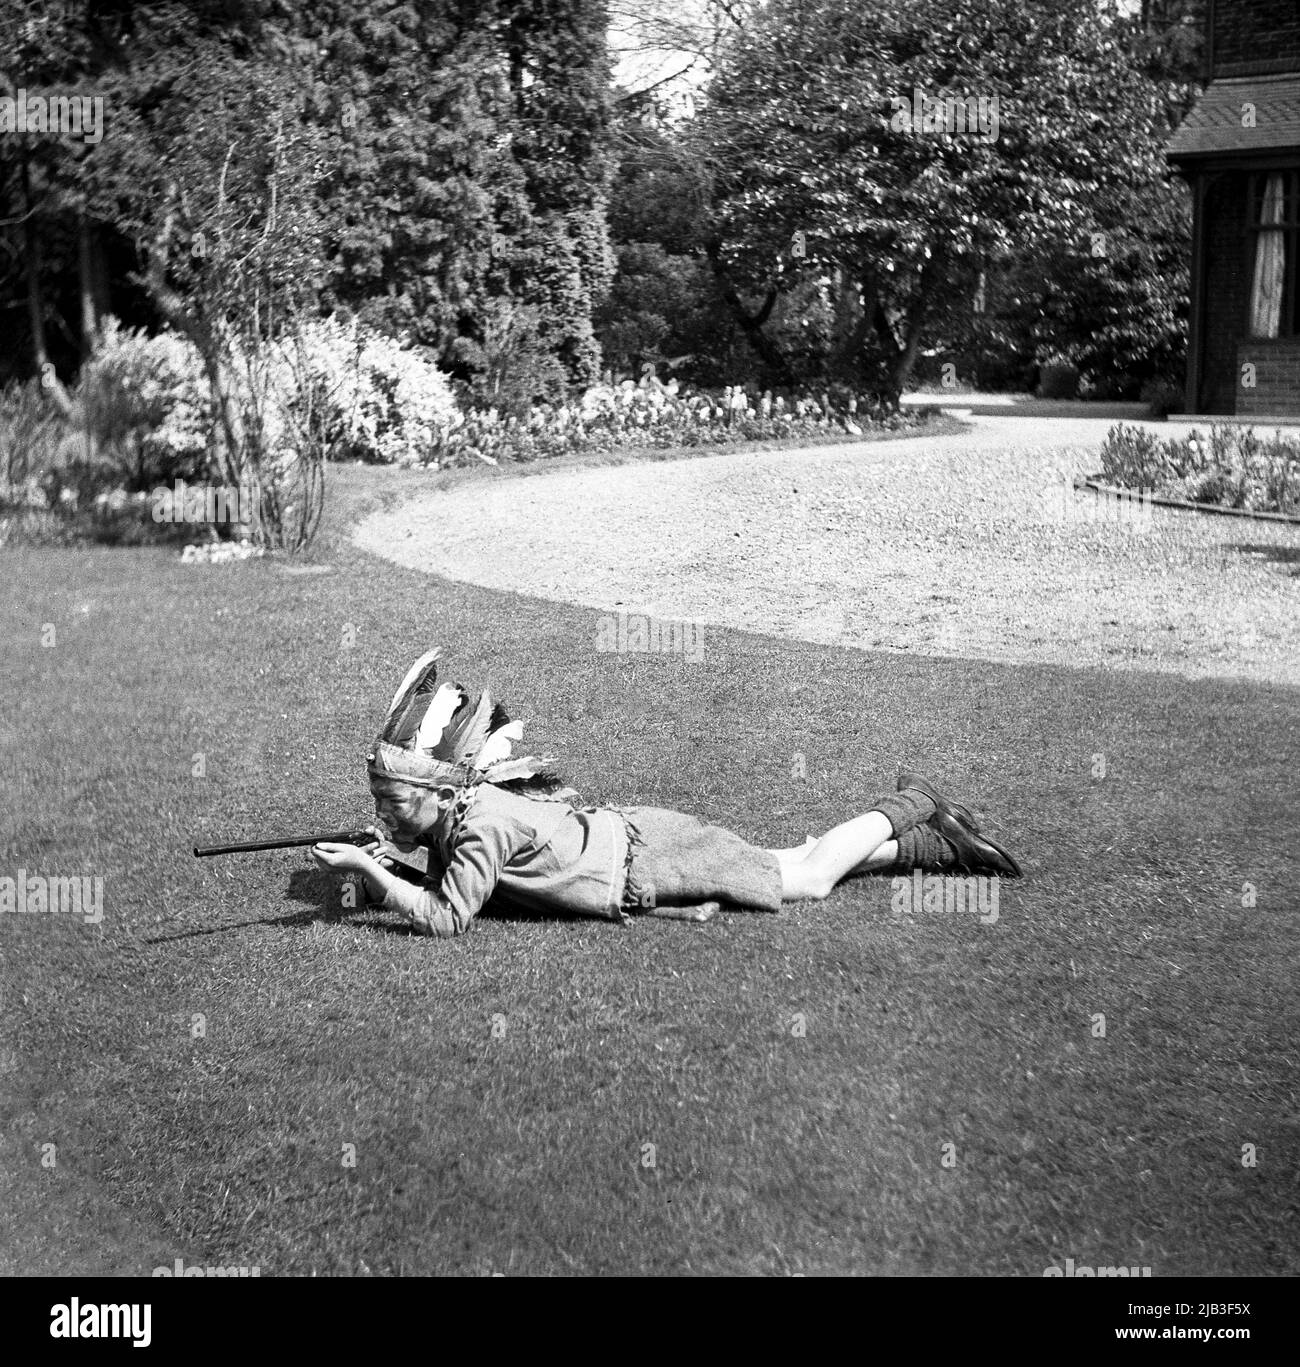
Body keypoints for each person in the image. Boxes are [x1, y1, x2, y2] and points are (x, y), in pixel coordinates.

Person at [311, 648, 1022, 938]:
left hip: (650, 864)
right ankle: (927, 843)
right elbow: (436, 877)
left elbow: (447, 915)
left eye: (393, 803)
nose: (384, 814)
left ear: (436, 794)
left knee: (802, 876)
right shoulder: (462, 816)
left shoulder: (478, 829)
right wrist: (391, 860)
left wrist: (370, 871)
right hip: (640, 840)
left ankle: (913, 803)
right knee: (788, 855)